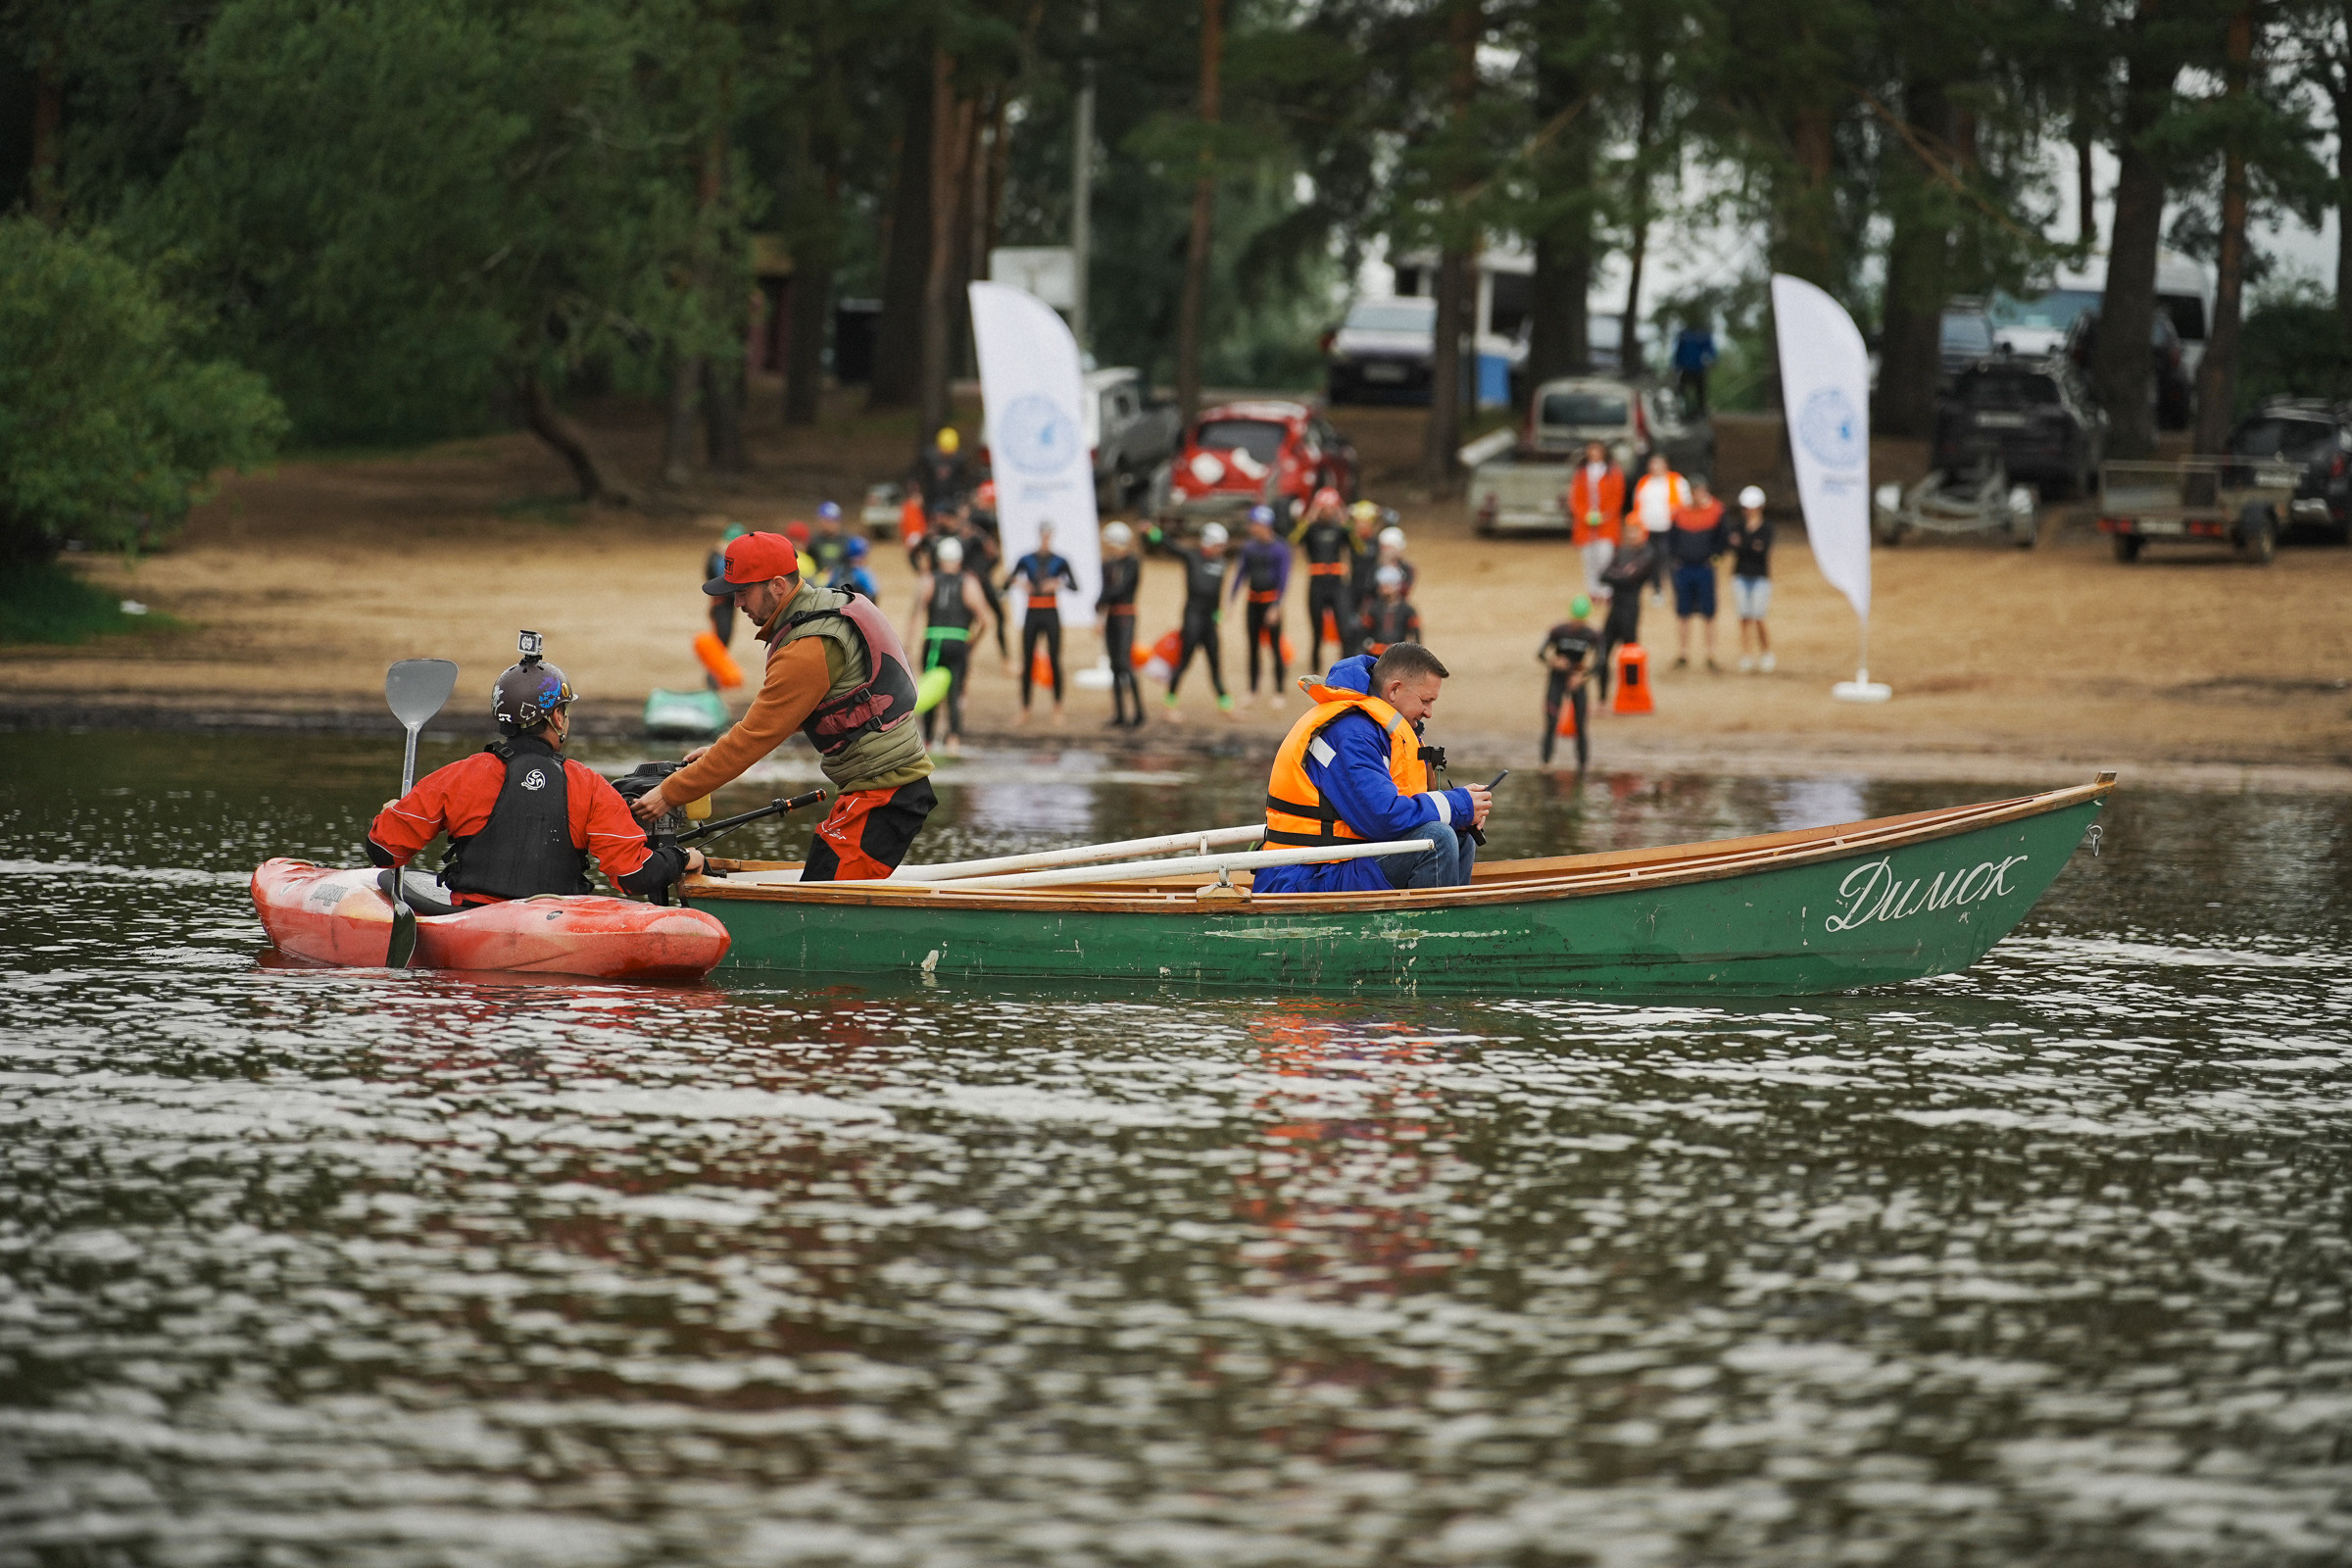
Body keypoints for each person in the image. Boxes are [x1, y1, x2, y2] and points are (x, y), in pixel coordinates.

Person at [631, 531, 937, 881]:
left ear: (777, 585)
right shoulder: (825, 606)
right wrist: (718, 750)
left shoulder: (807, 645)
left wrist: (668, 794)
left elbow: (754, 738)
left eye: (742, 592)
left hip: (886, 794)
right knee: (820, 886)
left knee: (822, 904)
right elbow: (786, 714)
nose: (737, 604)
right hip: (877, 789)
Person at [369, 635, 701, 905]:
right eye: (565, 712)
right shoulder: (588, 785)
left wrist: (392, 813)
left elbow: (383, 851)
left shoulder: (459, 776)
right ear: (556, 718)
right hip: (554, 929)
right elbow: (635, 878)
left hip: (472, 923)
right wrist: (683, 857)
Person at [1255, 643, 1491, 894]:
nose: (1429, 712)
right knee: (1438, 840)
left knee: (1460, 835)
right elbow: (1382, 817)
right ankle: (1434, 931)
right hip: (1303, 875)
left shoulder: (1377, 729)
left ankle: (1450, 923)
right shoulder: (1352, 735)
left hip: (1340, 862)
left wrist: (1459, 816)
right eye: (1425, 700)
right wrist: (1459, 805)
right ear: (1394, 690)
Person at [907, 534, 993, 752]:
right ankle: (954, 740)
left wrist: (908, 645)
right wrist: (972, 641)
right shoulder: (969, 582)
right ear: (959, 559)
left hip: (934, 640)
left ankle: (927, 740)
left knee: (931, 689)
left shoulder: (929, 580)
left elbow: (916, 615)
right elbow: (986, 620)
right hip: (958, 641)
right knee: (956, 692)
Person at [1004, 521, 1080, 723]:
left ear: (1052, 536)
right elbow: (1006, 582)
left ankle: (1057, 708)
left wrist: (1058, 582)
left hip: (1051, 611)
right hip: (1032, 610)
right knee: (1028, 660)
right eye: (1043, 534)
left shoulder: (1060, 560)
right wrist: (1019, 583)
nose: (1046, 538)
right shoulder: (1027, 559)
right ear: (1040, 535)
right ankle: (1025, 708)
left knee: (1055, 659)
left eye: (1049, 535)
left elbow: (1075, 585)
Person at [1165, 521, 1234, 719]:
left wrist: (1218, 611)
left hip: (1209, 619)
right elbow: (1171, 546)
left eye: (1223, 546)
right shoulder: (1193, 557)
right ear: (1208, 543)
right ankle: (1169, 703)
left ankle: (1225, 704)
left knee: (1215, 661)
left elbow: (1216, 590)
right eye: (1219, 545)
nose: (1222, 549)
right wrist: (1153, 533)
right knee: (1184, 661)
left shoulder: (1222, 563)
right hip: (1193, 617)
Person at [1231, 505, 1292, 706]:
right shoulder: (1249, 548)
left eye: (1254, 524)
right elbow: (1241, 574)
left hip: (1271, 603)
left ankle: (1279, 691)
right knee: (1253, 647)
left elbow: (1284, 579)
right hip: (1253, 602)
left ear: (1265, 525)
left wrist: (1277, 606)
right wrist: (1231, 599)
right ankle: (1252, 690)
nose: (1251, 528)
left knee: (1275, 647)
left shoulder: (1280, 548)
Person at [1293, 489, 1357, 669]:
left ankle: (1345, 668)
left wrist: (1347, 523)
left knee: (1344, 629)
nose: (1329, 512)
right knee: (1317, 632)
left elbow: (1357, 547)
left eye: (1332, 508)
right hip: (1317, 584)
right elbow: (1293, 540)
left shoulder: (1340, 529)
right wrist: (1308, 518)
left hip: (1337, 584)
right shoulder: (1311, 529)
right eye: (1325, 508)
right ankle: (1315, 669)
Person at [1666, 475, 1727, 669]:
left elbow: (1722, 539)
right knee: (1683, 612)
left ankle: (1711, 653)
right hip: (1684, 567)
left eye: (1699, 491)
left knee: (1708, 612)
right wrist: (1676, 558)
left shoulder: (1716, 511)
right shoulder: (1680, 513)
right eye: (1693, 491)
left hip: (1704, 568)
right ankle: (1683, 653)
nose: (1696, 495)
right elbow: (1671, 539)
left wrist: (1715, 558)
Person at [1595, 520, 1659, 703]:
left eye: (1635, 533)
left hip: (1630, 610)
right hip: (1615, 609)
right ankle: (1602, 698)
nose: (1631, 536)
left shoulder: (1648, 553)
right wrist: (1621, 574)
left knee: (1630, 656)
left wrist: (1618, 574)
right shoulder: (1622, 551)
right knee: (1602, 653)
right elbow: (1604, 575)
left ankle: (1632, 697)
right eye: (1629, 533)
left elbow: (1630, 577)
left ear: (1643, 534)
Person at [1538, 596, 1602, 770]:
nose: (1577, 624)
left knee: (1580, 723)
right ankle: (1545, 762)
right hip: (1557, 677)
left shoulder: (1591, 634)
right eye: (1575, 619)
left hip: (1577, 678)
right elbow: (1541, 653)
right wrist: (1554, 661)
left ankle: (1583, 764)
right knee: (1551, 721)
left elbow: (1600, 662)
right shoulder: (1559, 631)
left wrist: (1583, 677)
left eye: (1580, 621)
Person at [1564, 442, 1626, 607]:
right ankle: (1593, 590)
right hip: (1585, 525)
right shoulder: (1581, 473)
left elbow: (1617, 497)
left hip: (1607, 524)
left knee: (1605, 557)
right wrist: (1585, 515)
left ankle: (1606, 590)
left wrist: (1605, 515)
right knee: (1589, 559)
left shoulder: (1613, 472)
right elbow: (1575, 498)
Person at [1098, 520, 1144, 729]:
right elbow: (1106, 590)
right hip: (1112, 618)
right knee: (1114, 666)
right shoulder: (1108, 564)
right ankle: (1120, 714)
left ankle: (1139, 713)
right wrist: (1099, 611)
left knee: (1125, 664)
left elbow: (1119, 589)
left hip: (1126, 616)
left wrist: (1101, 601)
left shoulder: (1132, 563)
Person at [1728, 484, 1777, 673]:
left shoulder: (1766, 527)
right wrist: (1751, 546)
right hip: (1741, 576)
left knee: (1759, 617)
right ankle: (1746, 654)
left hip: (1760, 577)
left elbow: (1761, 550)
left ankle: (1766, 652)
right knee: (1744, 618)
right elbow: (1737, 547)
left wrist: (1743, 545)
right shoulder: (1738, 525)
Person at [704, 521, 749, 662]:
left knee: (726, 635)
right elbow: (712, 576)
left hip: (729, 601)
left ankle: (717, 673)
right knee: (721, 637)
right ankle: (714, 674)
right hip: (721, 601)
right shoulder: (717, 557)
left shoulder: (719, 556)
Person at [1345, 502, 1386, 656]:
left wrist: (1379, 511)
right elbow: (1344, 527)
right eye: (1359, 523)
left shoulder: (1376, 541)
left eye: (1366, 523)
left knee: (1372, 626)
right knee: (1352, 628)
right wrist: (1349, 513)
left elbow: (1392, 520)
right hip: (1355, 589)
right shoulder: (1354, 541)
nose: (1362, 526)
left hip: (1373, 590)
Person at [1359, 564, 1421, 656]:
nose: (1384, 590)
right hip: (1375, 655)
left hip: (1398, 656)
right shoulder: (1373, 609)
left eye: (1387, 586)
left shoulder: (1407, 610)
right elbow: (1364, 632)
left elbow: (1415, 634)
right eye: (1382, 586)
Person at [916, 426, 971, 521]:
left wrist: (964, 503)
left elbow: (966, 482)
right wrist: (917, 493)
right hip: (932, 498)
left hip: (952, 499)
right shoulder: (928, 457)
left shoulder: (959, 459)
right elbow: (918, 476)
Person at [1672, 320, 1718, 414]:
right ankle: (1683, 409)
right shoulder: (1683, 335)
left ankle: (1701, 410)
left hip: (1697, 369)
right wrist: (1676, 365)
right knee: (1682, 390)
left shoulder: (1702, 336)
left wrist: (1711, 360)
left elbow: (1711, 351)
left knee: (1699, 391)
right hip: (1686, 369)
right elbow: (1677, 352)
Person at [808, 501, 851, 583]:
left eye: (831, 521)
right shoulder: (814, 541)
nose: (828, 524)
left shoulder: (847, 540)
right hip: (818, 580)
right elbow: (809, 562)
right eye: (825, 520)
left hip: (842, 579)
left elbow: (851, 563)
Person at [829, 535, 879, 602]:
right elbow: (872, 594)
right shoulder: (863, 573)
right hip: (856, 608)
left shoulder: (838, 571)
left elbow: (827, 588)